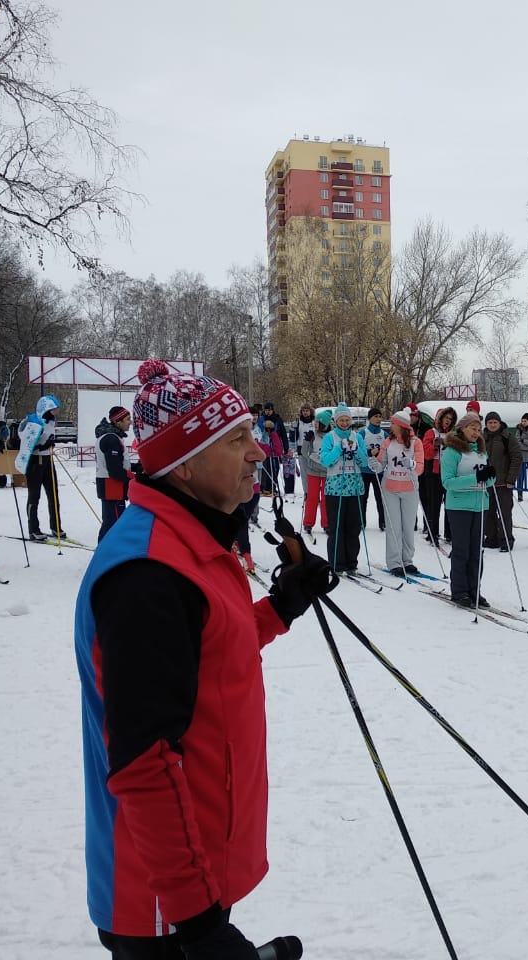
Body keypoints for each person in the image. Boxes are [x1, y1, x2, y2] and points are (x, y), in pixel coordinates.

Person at [74, 360, 335, 960]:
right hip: (163, 898)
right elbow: (143, 762)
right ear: (184, 464)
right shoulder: (148, 573)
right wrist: (200, 927)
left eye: (252, 434)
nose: (258, 452)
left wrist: (280, 606)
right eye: (236, 440)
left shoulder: (192, 541)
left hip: (196, 865)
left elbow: (209, 653)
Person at [441, 411, 491, 607]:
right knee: (462, 550)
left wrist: (490, 476)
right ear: (462, 428)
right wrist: (475, 478)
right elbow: (447, 482)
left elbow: (487, 477)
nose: (476, 432)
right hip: (459, 506)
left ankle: (474, 589)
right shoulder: (452, 452)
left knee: (477, 551)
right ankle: (460, 591)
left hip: (480, 504)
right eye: (473, 428)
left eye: (478, 429)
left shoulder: (481, 450)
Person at [320, 403, 369, 572]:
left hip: (355, 487)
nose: (345, 423)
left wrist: (356, 451)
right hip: (335, 488)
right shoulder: (330, 437)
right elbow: (325, 460)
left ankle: (351, 562)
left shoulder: (357, 437)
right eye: (341, 419)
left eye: (347, 419)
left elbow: (364, 462)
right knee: (336, 527)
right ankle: (336, 562)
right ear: (336, 421)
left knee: (353, 528)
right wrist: (338, 449)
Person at [380, 410, 424, 576]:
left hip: (409, 489)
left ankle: (407, 560)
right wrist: (374, 464)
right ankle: (394, 562)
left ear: (402, 426)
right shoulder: (388, 441)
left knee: (407, 526)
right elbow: (380, 463)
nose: (390, 426)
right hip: (390, 488)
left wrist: (411, 464)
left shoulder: (416, 443)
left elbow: (420, 468)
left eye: (393, 423)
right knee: (393, 527)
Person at [19, 394, 65, 541]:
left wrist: (50, 443)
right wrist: (41, 445)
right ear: (46, 409)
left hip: (47, 459)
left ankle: (56, 526)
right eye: (54, 409)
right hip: (35, 461)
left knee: (53, 494)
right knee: (34, 496)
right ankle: (33, 528)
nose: (56, 412)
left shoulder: (52, 422)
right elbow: (26, 440)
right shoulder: (34, 421)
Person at [481, 411, 522, 552]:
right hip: (487, 483)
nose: (492, 425)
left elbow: (517, 457)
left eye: (495, 422)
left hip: (503, 483)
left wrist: (511, 478)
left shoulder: (507, 437)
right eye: (490, 422)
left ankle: (506, 539)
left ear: (499, 423)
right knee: (488, 512)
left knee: (504, 512)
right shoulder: (482, 438)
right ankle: (492, 537)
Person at [95, 406, 134, 541]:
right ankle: (104, 554)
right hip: (112, 487)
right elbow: (115, 471)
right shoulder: (111, 439)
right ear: (118, 422)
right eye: (127, 419)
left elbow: (118, 462)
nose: (131, 422)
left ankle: (105, 553)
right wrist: (133, 477)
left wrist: (136, 467)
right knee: (113, 524)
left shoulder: (112, 437)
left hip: (111, 487)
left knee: (112, 522)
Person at [421, 407, 456, 544]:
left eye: (450, 419)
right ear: (439, 419)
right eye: (445, 418)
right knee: (434, 505)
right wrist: (435, 446)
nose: (447, 421)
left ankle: (449, 533)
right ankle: (432, 533)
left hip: (449, 473)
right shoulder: (431, 432)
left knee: (450, 504)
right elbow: (427, 454)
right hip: (434, 474)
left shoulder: (452, 434)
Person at [299, 409, 330, 536]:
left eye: (317, 422)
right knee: (312, 498)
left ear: (324, 423)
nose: (315, 424)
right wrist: (307, 440)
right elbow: (304, 452)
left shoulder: (331, 436)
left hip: (327, 472)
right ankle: (308, 523)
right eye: (315, 422)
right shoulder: (313, 435)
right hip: (313, 471)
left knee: (326, 499)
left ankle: (327, 523)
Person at [358, 408, 388, 530]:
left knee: (380, 497)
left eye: (380, 416)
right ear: (369, 418)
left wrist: (381, 453)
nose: (378, 419)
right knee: (363, 498)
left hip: (378, 471)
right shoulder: (362, 433)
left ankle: (383, 522)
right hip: (365, 471)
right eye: (376, 416)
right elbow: (358, 451)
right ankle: (361, 522)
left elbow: (387, 451)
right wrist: (369, 452)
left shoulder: (384, 434)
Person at [258, 402, 286, 495]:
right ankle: (265, 487)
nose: (267, 412)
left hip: (275, 445)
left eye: (269, 410)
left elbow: (283, 433)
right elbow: (259, 430)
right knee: (266, 468)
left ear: (272, 410)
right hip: (264, 446)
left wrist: (285, 447)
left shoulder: (277, 419)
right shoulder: (261, 419)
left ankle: (273, 486)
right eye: (266, 410)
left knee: (275, 468)